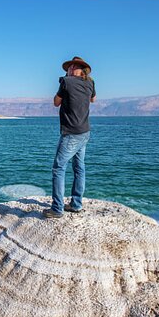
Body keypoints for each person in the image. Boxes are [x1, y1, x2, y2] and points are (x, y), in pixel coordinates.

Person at [43, 56, 96, 218]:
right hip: (84, 131)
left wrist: (65, 81)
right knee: (79, 168)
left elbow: (56, 102)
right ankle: (76, 204)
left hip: (71, 133)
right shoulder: (91, 83)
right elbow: (93, 99)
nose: (70, 69)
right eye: (69, 67)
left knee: (58, 168)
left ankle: (57, 209)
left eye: (74, 67)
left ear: (82, 69)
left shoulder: (67, 82)